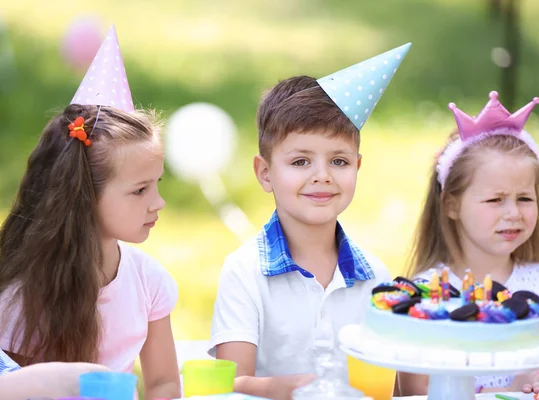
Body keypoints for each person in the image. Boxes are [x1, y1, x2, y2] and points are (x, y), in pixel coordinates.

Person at [209, 43, 412, 400]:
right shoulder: (245, 272)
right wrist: (283, 389)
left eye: (339, 161)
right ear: (265, 173)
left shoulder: (375, 278)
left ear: (357, 168)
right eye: (301, 161)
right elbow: (230, 384)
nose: (322, 176)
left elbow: (389, 387)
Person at [0, 26, 180, 399]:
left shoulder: (148, 281)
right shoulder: (26, 297)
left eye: (157, 183)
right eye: (139, 190)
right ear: (83, 195)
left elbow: (163, 382)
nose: (158, 201)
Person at [398, 91, 539, 396]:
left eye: (525, 198)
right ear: (451, 205)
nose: (513, 213)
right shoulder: (423, 297)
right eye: (495, 199)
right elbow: (416, 393)